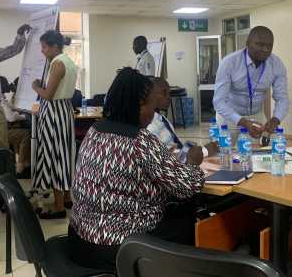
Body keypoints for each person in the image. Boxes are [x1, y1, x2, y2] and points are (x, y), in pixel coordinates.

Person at [69, 68, 205, 272]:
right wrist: (193, 161)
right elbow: (188, 186)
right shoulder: (141, 141)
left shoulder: (94, 130)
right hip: (121, 249)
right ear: (140, 104)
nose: (153, 115)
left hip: (79, 241)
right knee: (190, 213)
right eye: (152, 105)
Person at [213, 26, 289, 143]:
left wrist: (275, 120)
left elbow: (282, 98)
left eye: (269, 46)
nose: (265, 49)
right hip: (229, 117)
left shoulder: (276, 64)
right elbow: (219, 101)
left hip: (256, 117)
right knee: (226, 155)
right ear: (247, 43)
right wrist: (243, 122)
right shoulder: (229, 63)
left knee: (254, 156)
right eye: (260, 44)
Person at [31, 30, 78, 219]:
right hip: (64, 110)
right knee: (65, 154)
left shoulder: (57, 63)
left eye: (44, 47)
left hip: (54, 112)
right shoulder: (69, 61)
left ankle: (58, 207)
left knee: (55, 155)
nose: (42, 51)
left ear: (55, 46)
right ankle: (66, 198)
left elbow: (48, 95)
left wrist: (35, 86)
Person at [147, 77, 218, 158]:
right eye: (163, 93)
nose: (168, 97)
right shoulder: (150, 126)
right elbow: (166, 159)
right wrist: (204, 151)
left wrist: (189, 148)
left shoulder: (162, 118)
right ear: (150, 95)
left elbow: (174, 148)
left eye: (169, 93)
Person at [0, 76, 31, 179]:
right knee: (27, 134)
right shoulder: (1, 100)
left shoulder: (3, 99)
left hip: (6, 129)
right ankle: (21, 166)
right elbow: (11, 117)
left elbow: (14, 109)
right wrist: (25, 116)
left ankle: (23, 164)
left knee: (21, 132)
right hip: (2, 132)